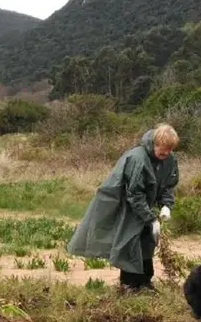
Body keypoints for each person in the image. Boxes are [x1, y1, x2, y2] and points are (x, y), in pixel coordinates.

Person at [67, 124, 179, 292]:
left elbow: (168, 184)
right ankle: (129, 285)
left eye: (169, 150)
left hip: (145, 206)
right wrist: (150, 219)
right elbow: (134, 194)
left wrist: (166, 205)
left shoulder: (168, 160)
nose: (165, 154)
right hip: (127, 205)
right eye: (162, 150)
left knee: (147, 243)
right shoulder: (138, 159)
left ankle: (145, 283)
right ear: (154, 143)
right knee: (129, 242)